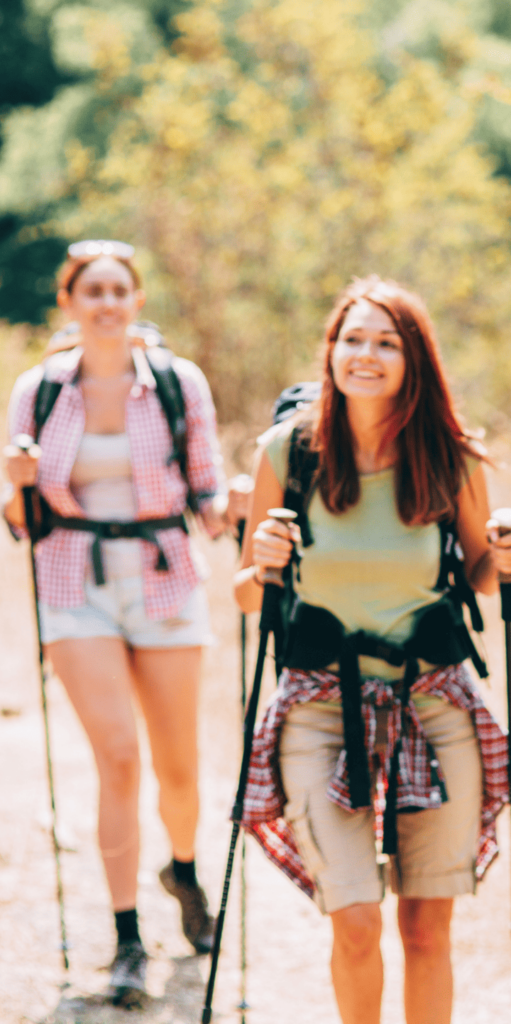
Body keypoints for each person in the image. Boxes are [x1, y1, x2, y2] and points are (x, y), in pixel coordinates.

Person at [234, 276, 511, 1024]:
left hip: (434, 702)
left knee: (426, 927)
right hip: (321, 706)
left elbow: (482, 577)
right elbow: (248, 597)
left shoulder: (451, 455)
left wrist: (504, 556)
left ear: (413, 359)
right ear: (329, 353)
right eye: (351, 339)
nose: (366, 355)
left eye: (386, 342)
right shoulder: (287, 453)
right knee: (354, 921)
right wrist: (259, 560)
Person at [3, 240, 248, 1007]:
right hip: (73, 582)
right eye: (91, 291)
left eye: (119, 290)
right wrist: (14, 486)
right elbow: (22, 519)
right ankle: (126, 936)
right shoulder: (38, 391)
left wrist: (237, 505)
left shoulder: (177, 386)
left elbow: (204, 496)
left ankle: (182, 866)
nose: (106, 302)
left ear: (136, 301)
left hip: (164, 580)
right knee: (117, 758)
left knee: (178, 768)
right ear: (68, 304)